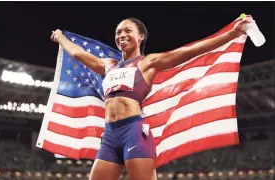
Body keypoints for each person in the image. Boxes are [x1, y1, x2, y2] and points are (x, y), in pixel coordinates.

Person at [50, 16, 251, 180]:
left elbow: (189, 52)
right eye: (118, 32)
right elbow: (78, 54)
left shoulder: (147, 63)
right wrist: (60, 38)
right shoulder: (108, 65)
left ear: (141, 37)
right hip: (110, 136)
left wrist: (232, 34)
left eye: (128, 30)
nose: (122, 35)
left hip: (133, 131)